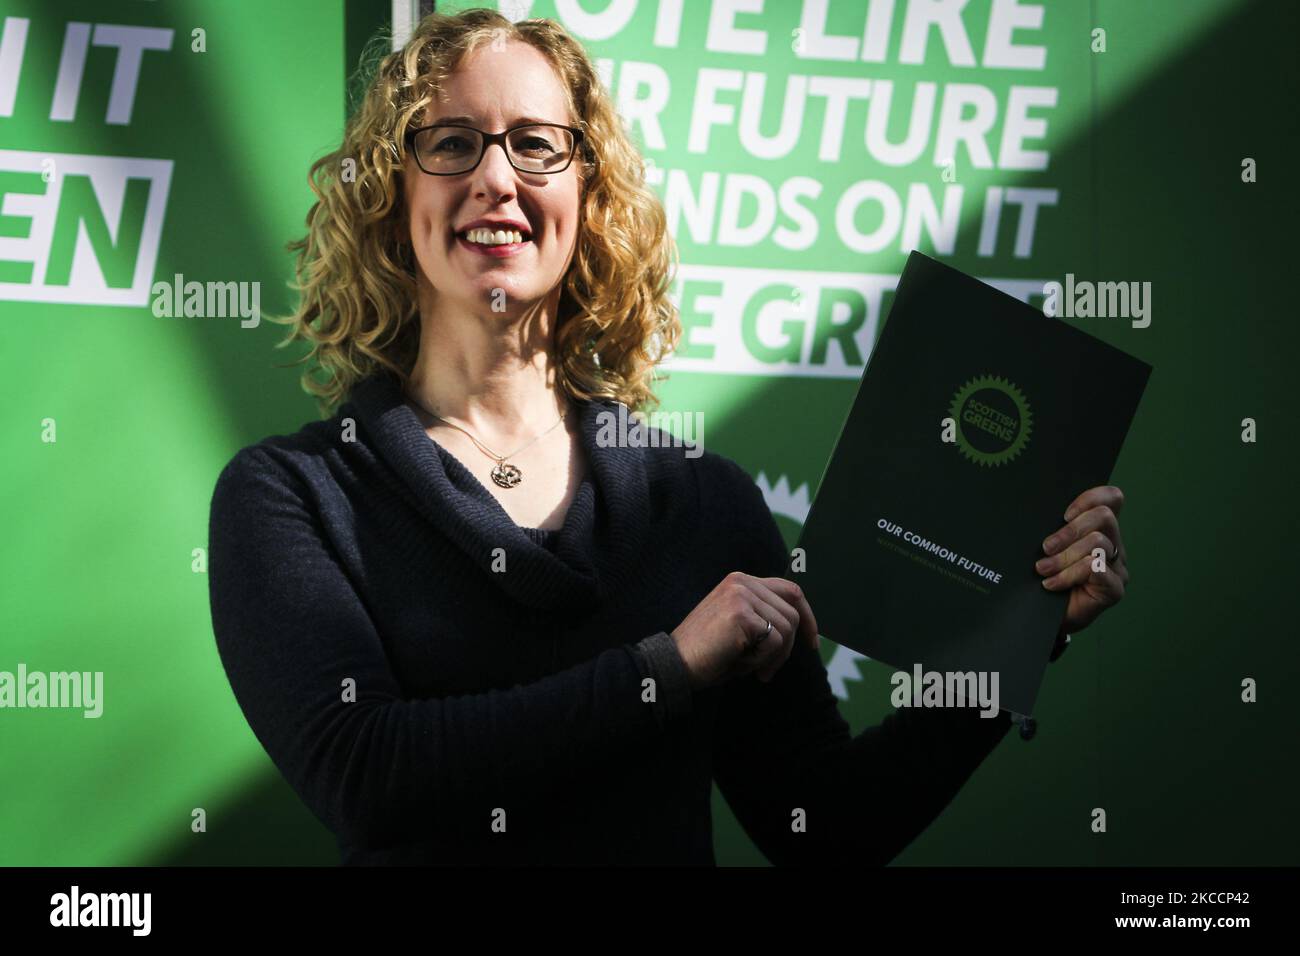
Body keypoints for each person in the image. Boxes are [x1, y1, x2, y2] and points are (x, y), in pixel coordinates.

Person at [207, 8, 1130, 866]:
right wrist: (670, 667)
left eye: (536, 145)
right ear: (392, 201)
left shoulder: (703, 502)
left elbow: (827, 828)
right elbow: (368, 781)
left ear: (589, 195)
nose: (497, 176)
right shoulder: (292, 497)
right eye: (451, 145)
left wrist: (1016, 631)